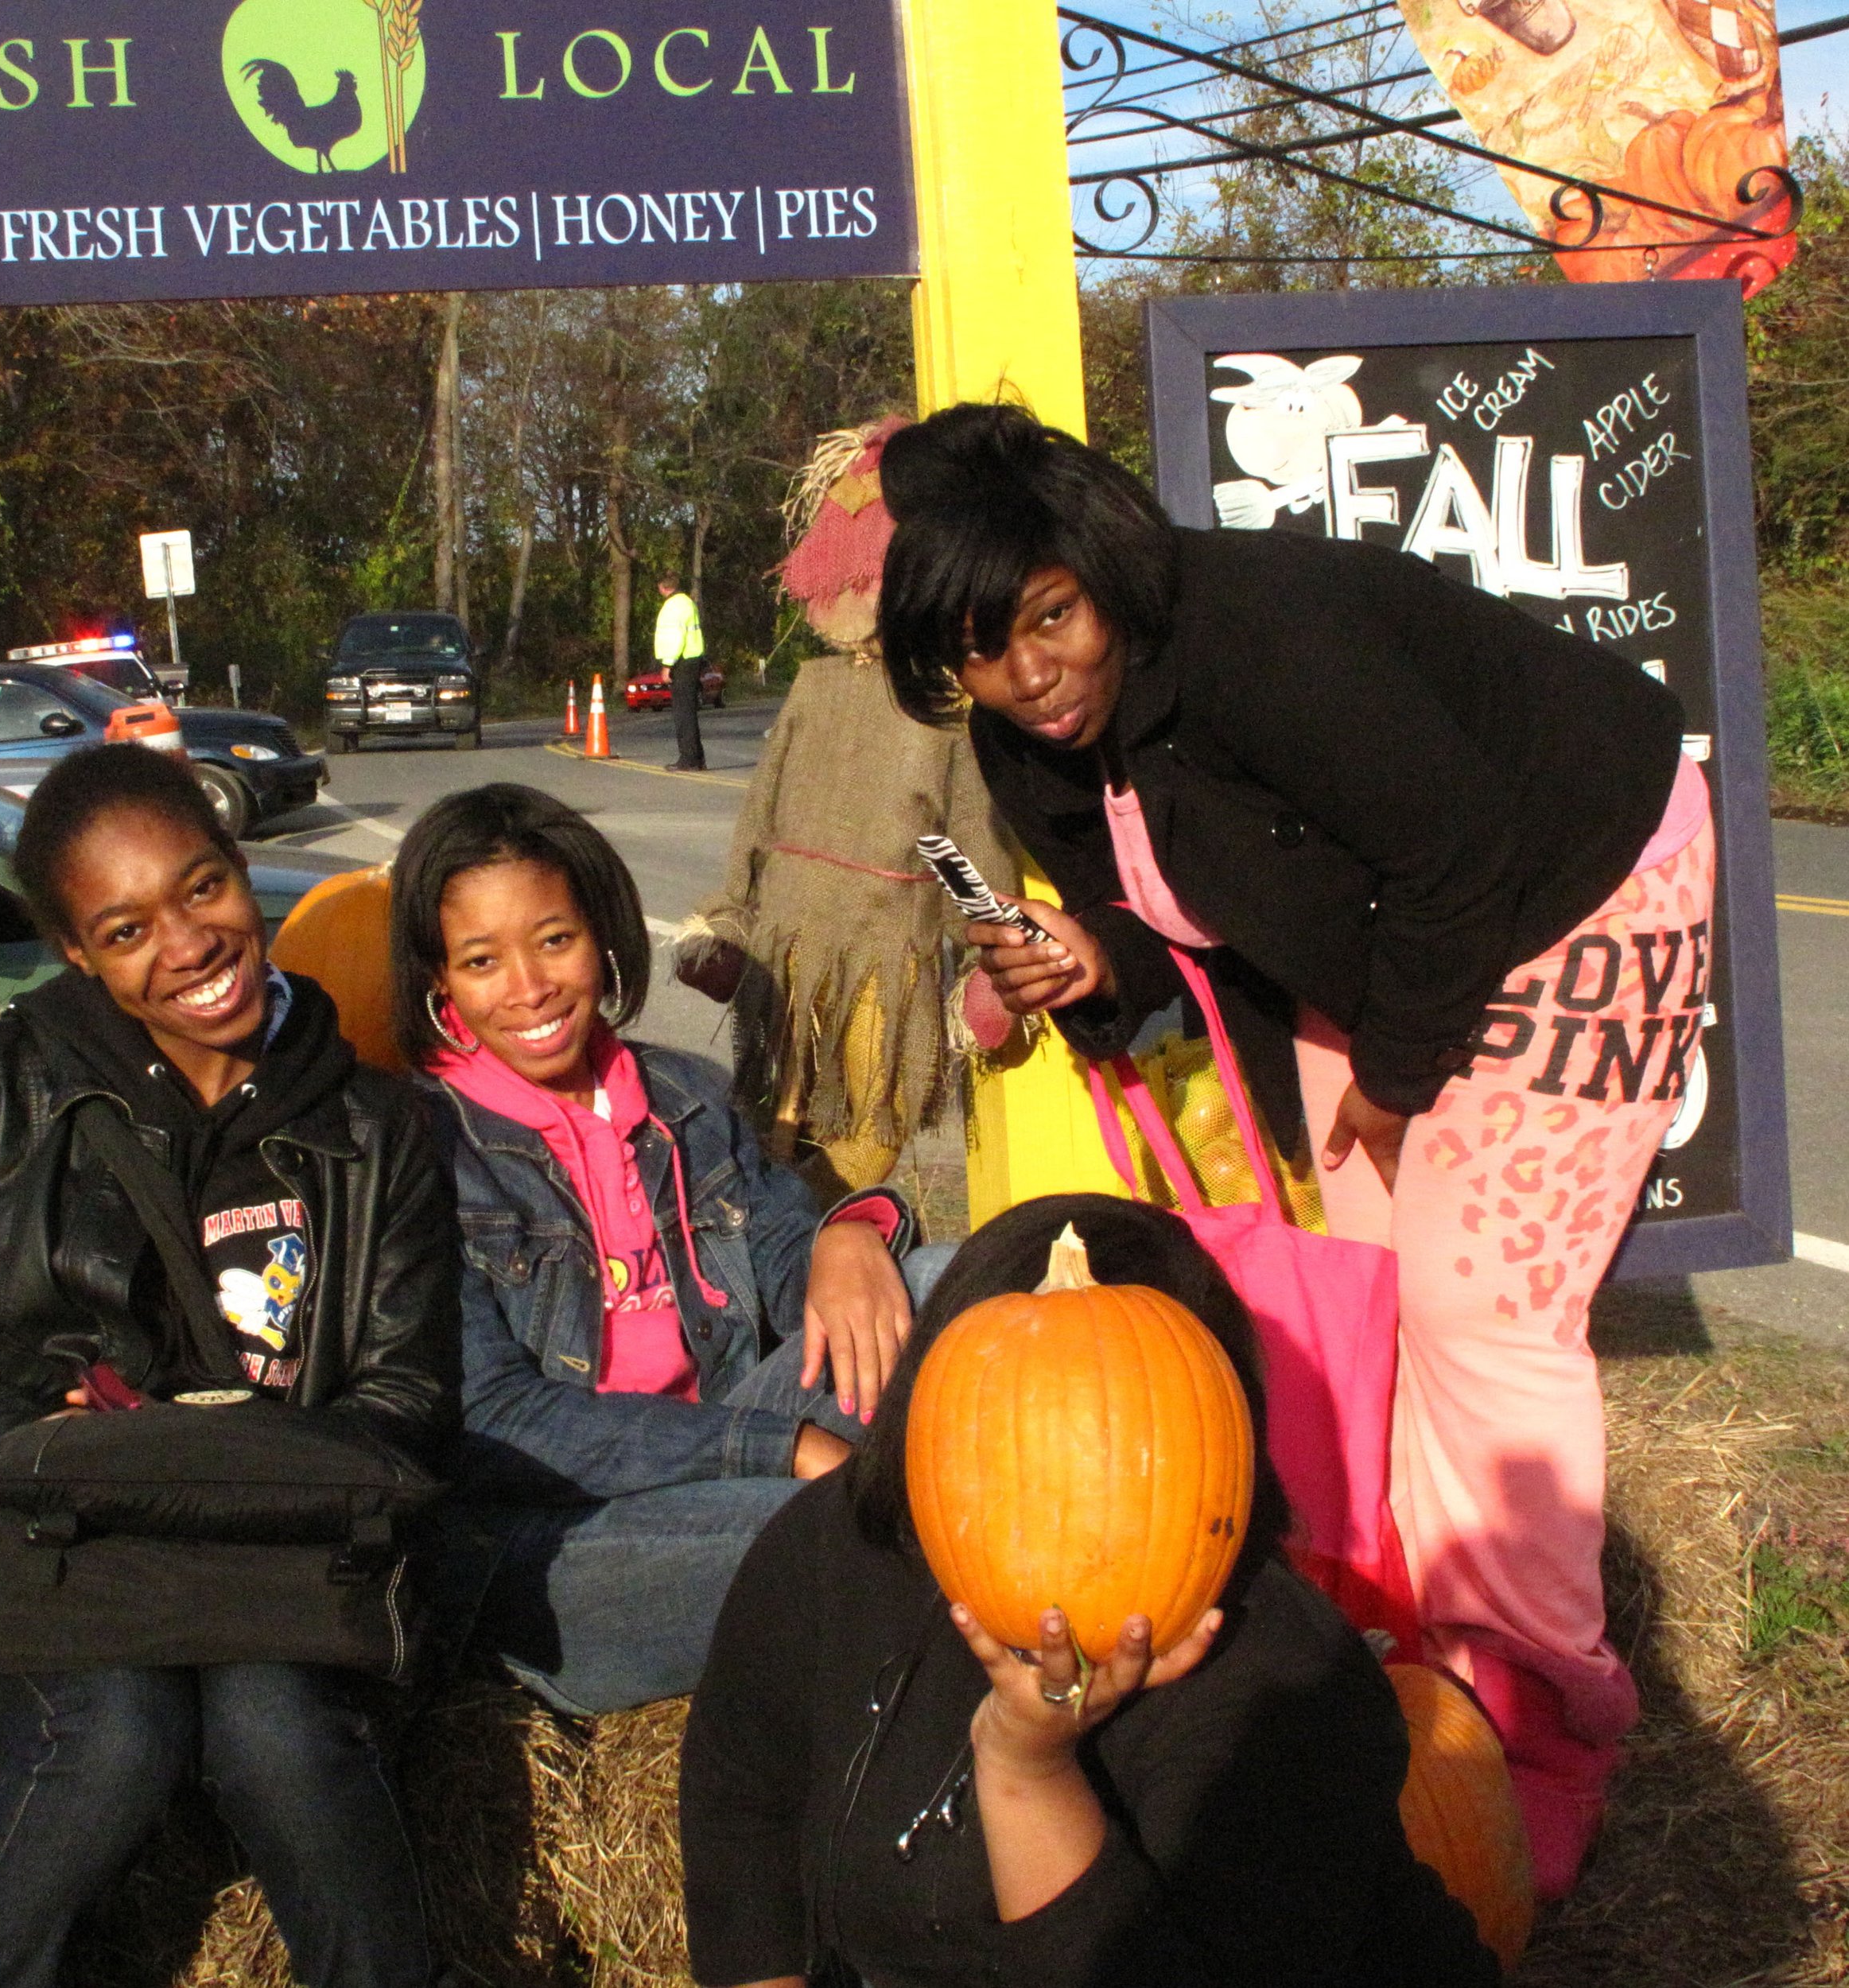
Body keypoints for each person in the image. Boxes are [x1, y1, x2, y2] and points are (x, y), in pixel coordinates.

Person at [873, 402, 1710, 1897]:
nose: (1032, 673)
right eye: (984, 653)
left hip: (1573, 882)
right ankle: (1401, 1652)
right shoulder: (1029, 756)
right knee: (1371, 1297)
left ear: (1101, 564)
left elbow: (1457, 847)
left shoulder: (1268, 632)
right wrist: (1091, 959)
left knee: (1480, 1317)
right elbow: (1183, 917)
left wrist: (1389, 1087)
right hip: (1400, 937)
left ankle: (1536, 1732)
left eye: (1051, 617)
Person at [0, 743, 457, 1988]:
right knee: (113, 1735)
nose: (186, 944)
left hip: (281, 1551)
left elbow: (407, 1403)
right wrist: (16, 1444)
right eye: (126, 928)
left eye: (202, 890)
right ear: (76, 953)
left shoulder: (376, 1126)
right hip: (47, 1535)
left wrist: (219, 1447)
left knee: (278, 1729)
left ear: (243, 873)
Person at [679, 1193, 1501, 1988]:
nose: (1070, 1475)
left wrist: (1024, 1765)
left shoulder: (1282, 1683)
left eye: (1114, 1431)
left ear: (1209, 1432)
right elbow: (741, 1795)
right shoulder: (843, 1538)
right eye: (1013, 1416)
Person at [390, 782, 946, 1716]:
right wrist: (778, 1445)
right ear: (439, 982)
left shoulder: (681, 1093)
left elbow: (780, 1248)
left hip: (722, 1440)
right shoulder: (417, 1151)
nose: (528, 988)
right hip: (555, 1533)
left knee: (936, 1281)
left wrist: (851, 1229)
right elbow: (499, 1418)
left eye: (553, 940)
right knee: (826, 1539)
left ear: (602, 938)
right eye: (481, 960)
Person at [678, 419, 1023, 1198]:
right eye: (838, 578)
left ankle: (812, 1235)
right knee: (768, 1111)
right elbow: (760, 820)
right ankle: (783, 1245)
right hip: (784, 946)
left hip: (879, 950)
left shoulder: (945, 699)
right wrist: (729, 918)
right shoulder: (811, 687)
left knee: (867, 1121)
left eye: (865, 576)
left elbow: (963, 842)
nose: (851, 596)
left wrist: (988, 952)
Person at [655, 570, 708, 771]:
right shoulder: (687, 602)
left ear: (662, 587)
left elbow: (675, 637)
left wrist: (668, 665)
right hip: (692, 659)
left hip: (682, 662)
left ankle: (689, 759)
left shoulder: (672, 607)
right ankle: (697, 758)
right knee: (689, 711)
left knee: (683, 714)